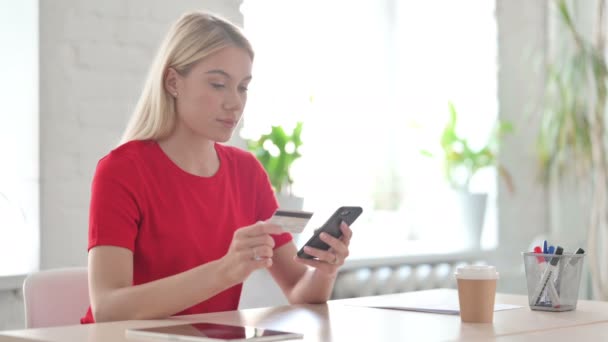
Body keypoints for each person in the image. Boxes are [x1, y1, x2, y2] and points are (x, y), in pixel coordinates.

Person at [81, 11, 353, 323]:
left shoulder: (246, 172)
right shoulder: (122, 170)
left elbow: (297, 289)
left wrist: (324, 270)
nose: (234, 103)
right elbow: (108, 309)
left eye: (243, 87)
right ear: (173, 82)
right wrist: (226, 270)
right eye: (218, 84)